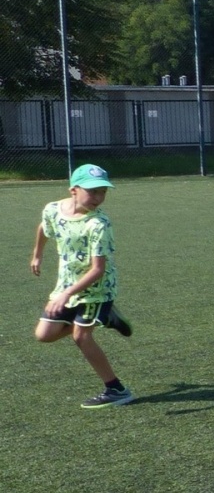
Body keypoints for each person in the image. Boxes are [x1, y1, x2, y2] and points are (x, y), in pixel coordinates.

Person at [30, 164, 136, 408]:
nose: (98, 198)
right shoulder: (53, 210)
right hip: (66, 283)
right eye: (93, 192)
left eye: (103, 192)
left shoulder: (98, 223)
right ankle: (107, 318)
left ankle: (116, 390)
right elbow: (44, 229)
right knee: (44, 335)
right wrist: (37, 255)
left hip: (98, 288)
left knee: (81, 336)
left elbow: (98, 270)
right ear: (74, 190)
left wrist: (66, 294)